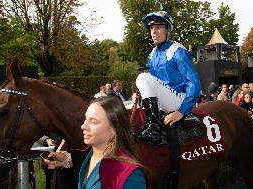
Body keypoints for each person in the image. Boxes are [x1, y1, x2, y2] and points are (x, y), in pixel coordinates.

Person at [44, 96, 147, 189]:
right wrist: (68, 159)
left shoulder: (130, 175)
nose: (83, 126)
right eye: (85, 119)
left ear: (114, 129)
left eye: (93, 122)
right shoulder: (88, 157)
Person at [135, 11, 201, 144]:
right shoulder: (152, 54)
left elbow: (194, 83)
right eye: (151, 28)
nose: (154, 32)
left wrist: (181, 111)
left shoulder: (177, 50)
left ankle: (153, 127)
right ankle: (153, 123)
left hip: (179, 100)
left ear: (168, 30)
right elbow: (154, 84)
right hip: (164, 100)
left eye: (158, 27)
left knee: (143, 77)